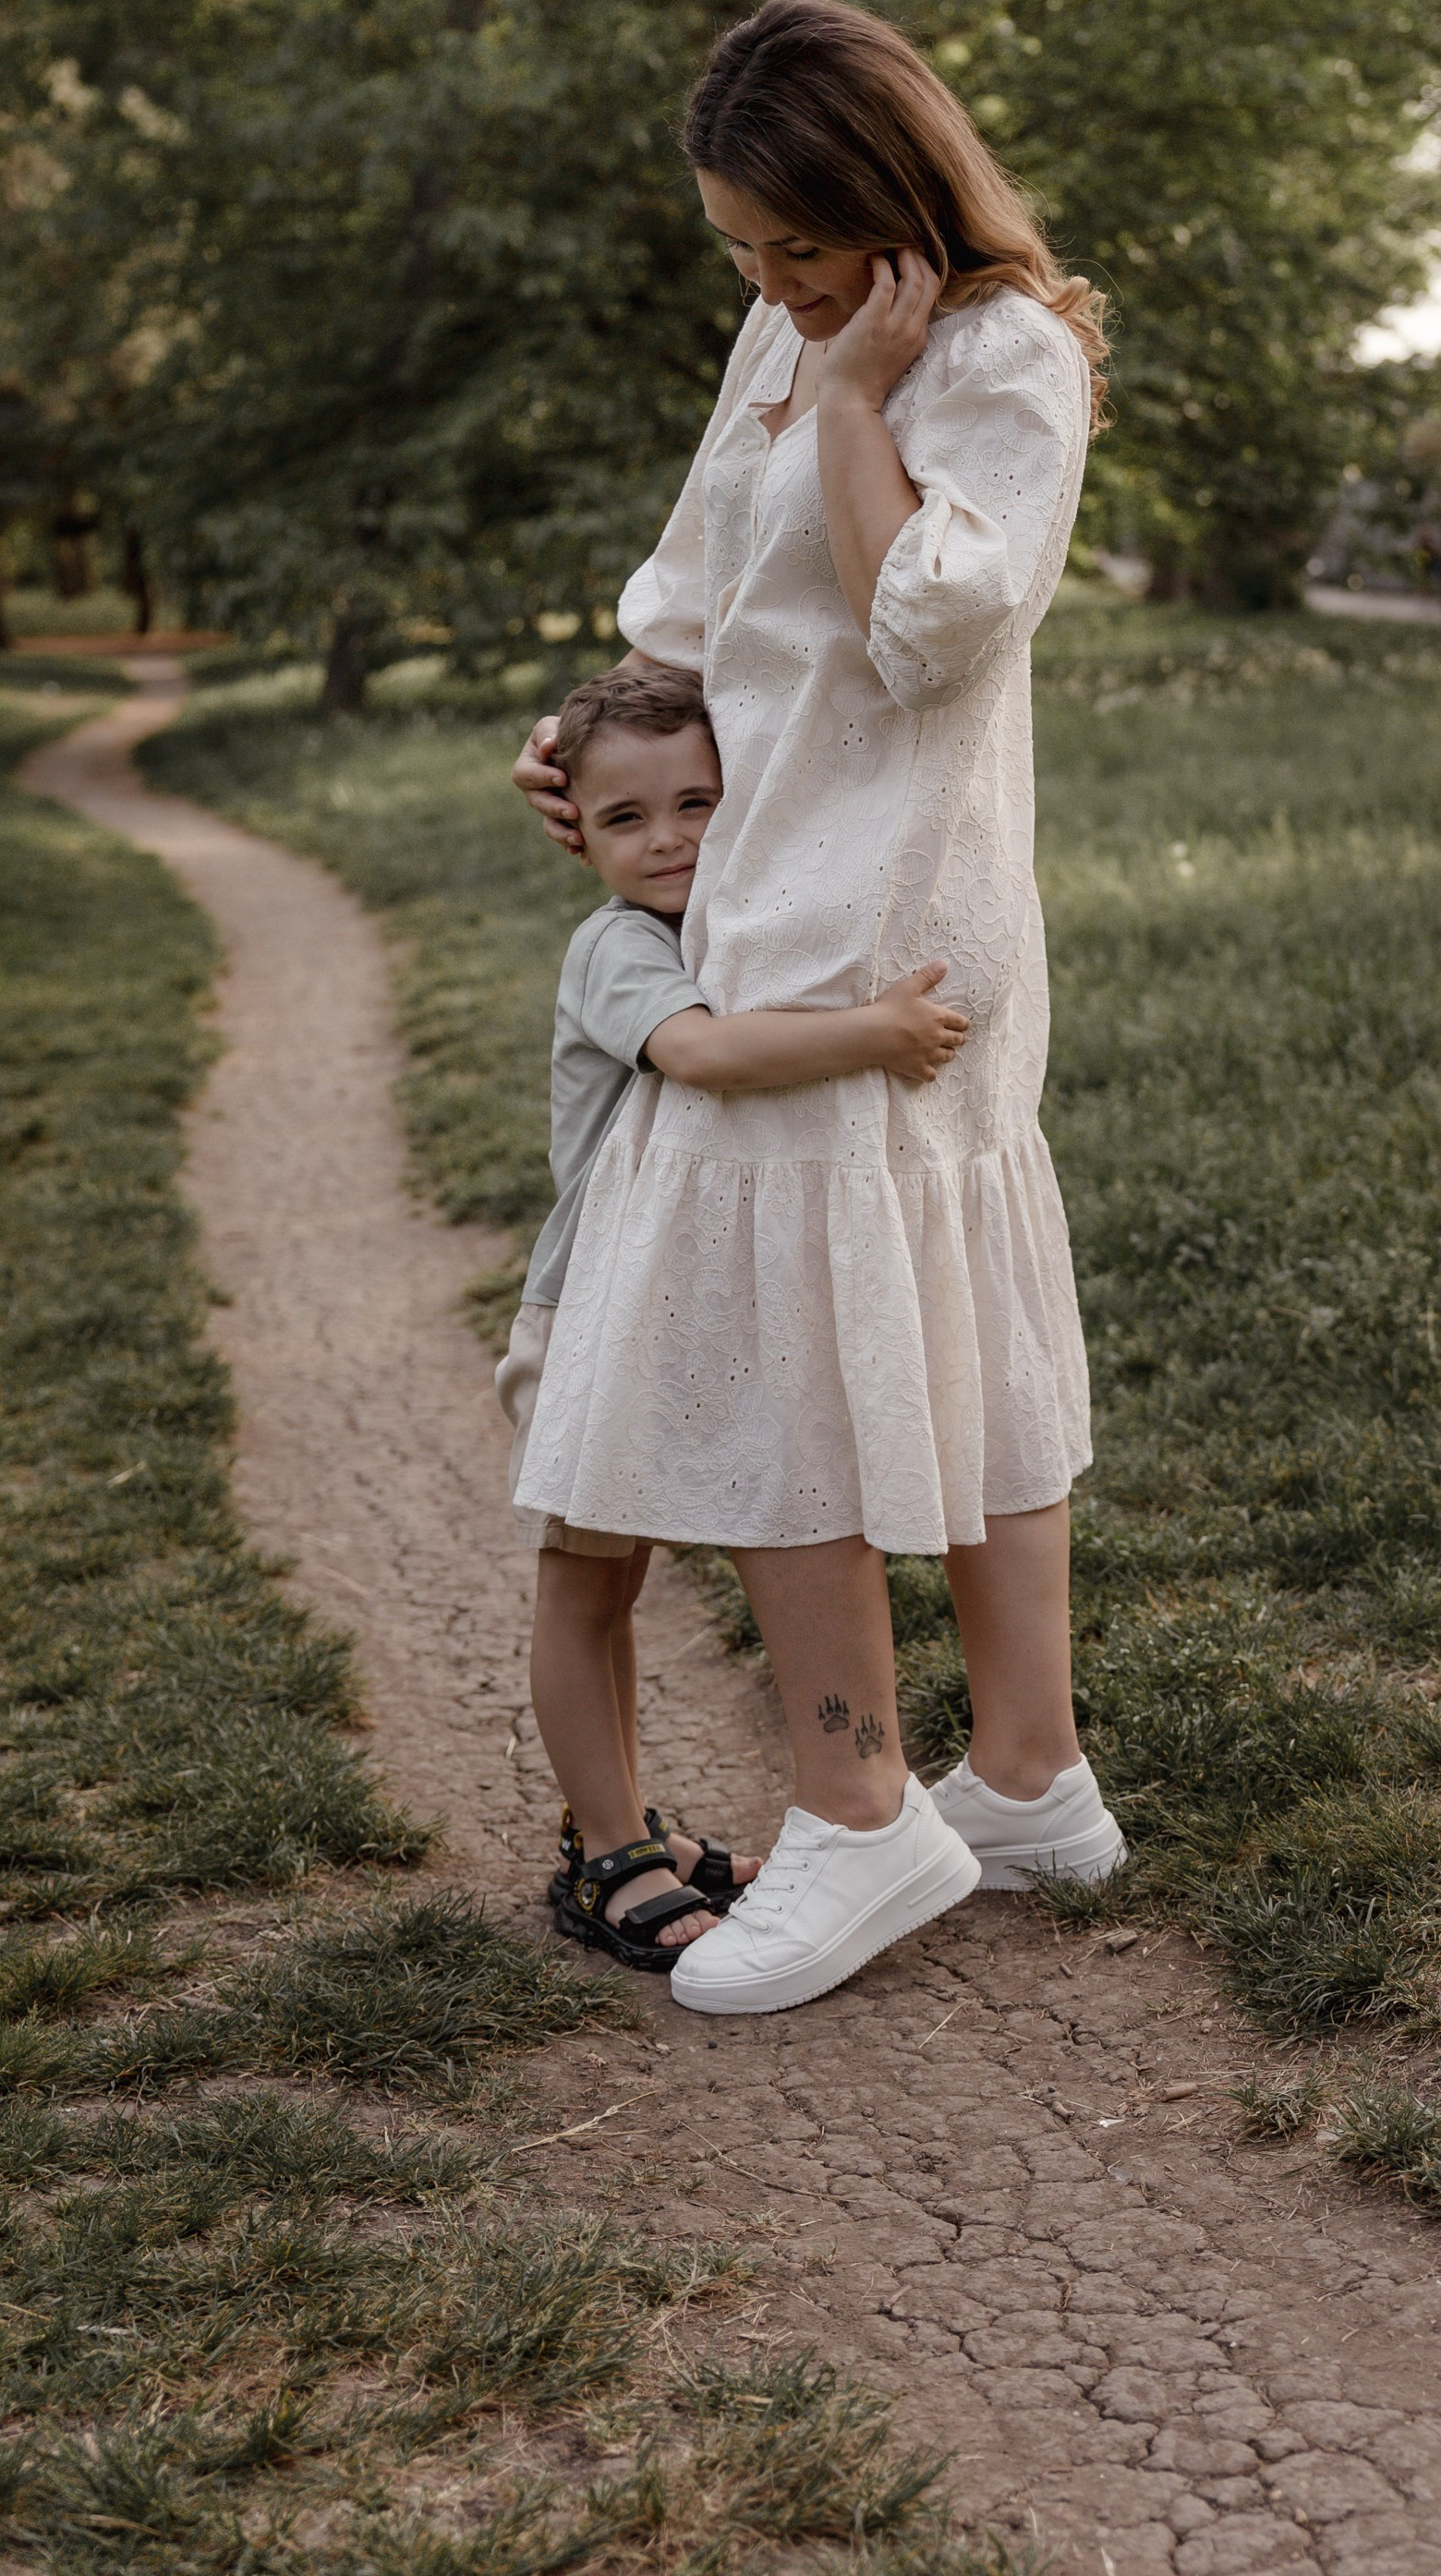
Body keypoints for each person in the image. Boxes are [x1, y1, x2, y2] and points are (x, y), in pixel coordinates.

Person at [511, 0, 1126, 2016]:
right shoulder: (781, 330)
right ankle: (1028, 1780)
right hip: (766, 887)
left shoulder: (1007, 359)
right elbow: (689, 606)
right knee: (903, 1317)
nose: (768, 287)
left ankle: (862, 1819)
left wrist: (864, 398)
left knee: (808, 1354)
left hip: (887, 922)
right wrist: (589, 732)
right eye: (742, 255)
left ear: (896, 202)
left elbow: (936, 625)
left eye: (797, 244)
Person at [500, 658, 968, 1971]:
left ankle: (629, 1830)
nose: (670, 842)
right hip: (588, 1313)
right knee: (588, 1584)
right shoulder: (619, 948)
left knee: (625, 1571)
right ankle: (604, 1858)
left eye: (698, 803)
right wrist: (871, 1033)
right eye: (626, 819)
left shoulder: (716, 931)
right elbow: (703, 1055)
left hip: (653, 1315)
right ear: (574, 832)